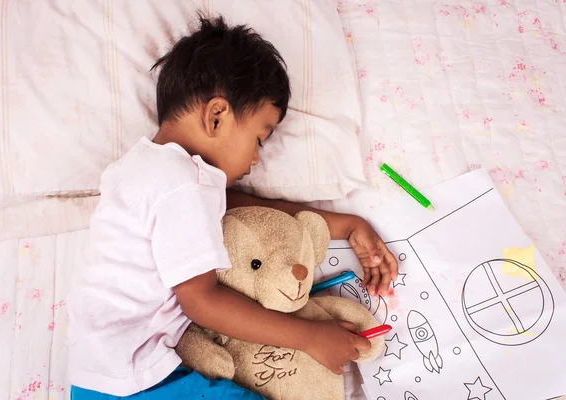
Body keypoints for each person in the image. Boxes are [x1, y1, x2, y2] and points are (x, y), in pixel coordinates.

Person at [67, 15, 398, 400]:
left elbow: (250, 211)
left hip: (107, 375)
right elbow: (203, 302)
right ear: (217, 115)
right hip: (130, 377)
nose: (256, 160)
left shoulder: (151, 171)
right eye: (259, 138)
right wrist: (310, 337)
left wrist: (347, 224)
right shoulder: (178, 184)